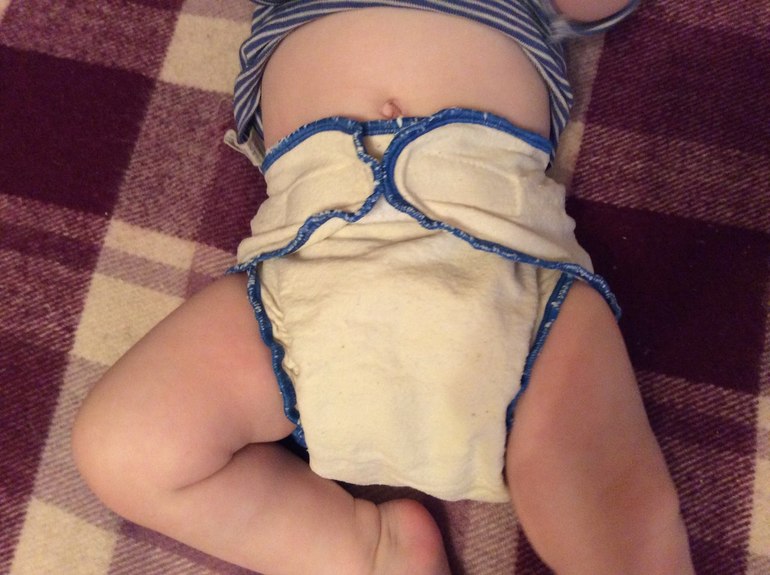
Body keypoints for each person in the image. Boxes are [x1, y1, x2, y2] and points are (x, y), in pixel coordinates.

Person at [72, 1, 695, 573]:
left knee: (600, 502)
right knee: (126, 449)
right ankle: (363, 551)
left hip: (505, 266)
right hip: (303, 276)